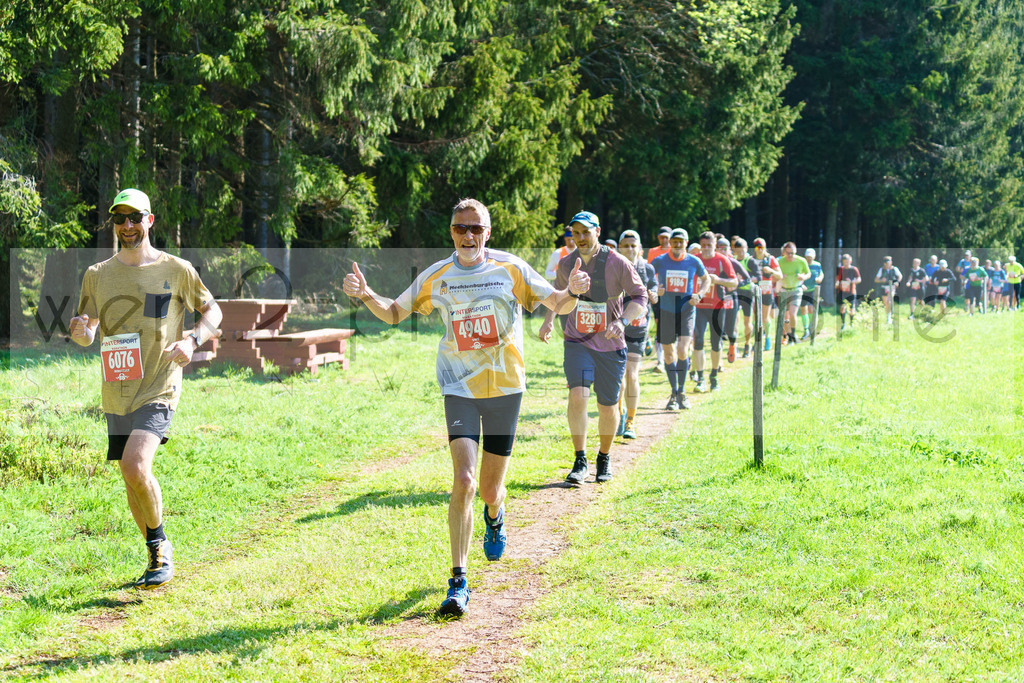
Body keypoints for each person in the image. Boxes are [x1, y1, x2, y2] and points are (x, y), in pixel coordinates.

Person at [343, 198, 590, 618]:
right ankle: (458, 581)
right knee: (464, 479)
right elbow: (394, 312)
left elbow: (556, 304)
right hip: (458, 386)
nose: (468, 236)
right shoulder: (437, 276)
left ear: (487, 233)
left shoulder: (510, 269)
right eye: (461, 228)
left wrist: (573, 293)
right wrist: (366, 294)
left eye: (476, 228)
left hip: (505, 387)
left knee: (491, 490)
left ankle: (496, 513)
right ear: (451, 232)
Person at [68, 188, 222, 590]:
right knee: (128, 474)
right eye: (120, 219)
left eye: (135, 218)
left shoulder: (177, 269)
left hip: (160, 383)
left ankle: (161, 547)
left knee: (136, 463)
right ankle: (155, 556)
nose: (127, 226)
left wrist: (191, 341)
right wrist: (81, 333)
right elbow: (87, 334)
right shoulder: (98, 275)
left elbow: (213, 310)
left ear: (150, 220)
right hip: (117, 388)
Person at [539, 211, 647, 487]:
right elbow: (557, 296)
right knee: (578, 395)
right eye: (576, 233)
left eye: (586, 232)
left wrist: (622, 321)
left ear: (598, 231)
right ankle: (580, 459)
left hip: (611, 344)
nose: (581, 238)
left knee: (607, 405)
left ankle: (604, 456)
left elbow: (639, 296)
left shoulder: (617, 262)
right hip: (577, 341)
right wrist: (549, 321)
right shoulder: (566, 264)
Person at [650, 229, 710, 408]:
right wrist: (655, 290)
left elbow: (706, 279)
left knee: (683, 350)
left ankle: (682, 392)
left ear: (686, 242)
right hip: (666, 311)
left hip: (686, 311)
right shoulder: (660, 261)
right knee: (669, 353)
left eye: (680, 242)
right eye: (673, 241)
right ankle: (674, 393)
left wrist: (699, 294)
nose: (676, 244)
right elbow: (647, 278)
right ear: (669, 243)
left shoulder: (694, 261)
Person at [615, 230, 658, 439]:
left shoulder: (646, 268)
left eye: (634, 245)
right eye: (626, 245)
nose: (630, 249)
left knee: (631, 373)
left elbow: (655, 293)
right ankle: (620, 414)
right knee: (619, 376)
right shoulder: (611, 267)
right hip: (615, 327)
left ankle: (631, 421)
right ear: (619, 248)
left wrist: (653, 295)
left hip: (638, 327)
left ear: (639, 248)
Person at [690, 232, 736, 392]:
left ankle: (714, 376)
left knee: (716, 343)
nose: (706, 248)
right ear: (700, 245)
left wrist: (717, 280)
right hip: (699, 307)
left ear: (715, 245)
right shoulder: (695, 259)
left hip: (717, 307)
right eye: (703, 245)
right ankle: (700, 379)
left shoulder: (722, 260)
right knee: (699, 341)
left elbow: (734, 283)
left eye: (709, 245)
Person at [716, 237, 750, 363]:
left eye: (725, 249)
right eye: (720, 249)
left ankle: (732, 346)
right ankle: (718, 360)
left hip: (731, 298)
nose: (722, 251)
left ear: (729, 250)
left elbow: (747, 279)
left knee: (730, 327)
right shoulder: (713, 261)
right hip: (716, 298)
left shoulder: (733, 262)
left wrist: (736, 285)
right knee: (718, 328)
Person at [731, 238, 762, 358]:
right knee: (734, 320)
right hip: (735, 292)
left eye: (742, 251)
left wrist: (744, 281)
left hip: (748, 293)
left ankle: (747, 345)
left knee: (747, 321)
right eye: (738, 251)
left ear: (746, 249)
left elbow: (758, 277)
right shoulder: (733, 260)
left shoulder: (750, 261)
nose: (740, 254)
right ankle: (733, 345)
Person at [777, 242, 810, 345]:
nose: (790, 255)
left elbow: (808, 273)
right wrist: (780, 276)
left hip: (796, 289)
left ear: (795, 252)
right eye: (788, 253)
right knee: (784, 316)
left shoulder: (801, 261)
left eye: (792, 253)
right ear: (784, 252)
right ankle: (787, 336)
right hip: (784, 290)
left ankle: (792, 336)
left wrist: (803, 277)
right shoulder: (779, 261)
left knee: (792, 313)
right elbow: (774, 275)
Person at [752, 238, 781, 350]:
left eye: (762, 247)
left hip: (767, 291)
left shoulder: (771, 259)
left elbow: (780, 275)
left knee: (765, 317)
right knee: (755, 318)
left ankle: (768, 339)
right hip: (755, 291)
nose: (760, 250)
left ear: (765, 247)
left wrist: (771, 271)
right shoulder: (751, 260)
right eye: (757, 247)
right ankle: (757, 340)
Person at [799, 248, 824, 339]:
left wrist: (820, 278)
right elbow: (798, 274)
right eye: (808, 257)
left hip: (813, 290)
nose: (809, 258)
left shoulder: (817, 265)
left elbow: (821, 273)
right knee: (803, 309)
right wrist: (801, 284)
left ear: (814, 257)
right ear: (805, 256)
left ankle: (812, 326)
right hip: (803, 290)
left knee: (811, 309)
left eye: (811, 257)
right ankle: (806, 330)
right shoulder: (802, 264)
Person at [835, 253, 861, 329]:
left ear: (851, 261)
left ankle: (851, 324)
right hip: (842, 291)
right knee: (842, 307)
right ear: (843, 262)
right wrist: (836, 283)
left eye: (847, 261)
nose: (846, 263)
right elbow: (837, 279)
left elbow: (859, 279)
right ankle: (843, 324)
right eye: (845, 261)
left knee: (851, 308)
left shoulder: (854, 269)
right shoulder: (840, 269)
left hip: (851, 291)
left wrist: (852, 281)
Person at [874, 255, 903, 324]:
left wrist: (897, 282)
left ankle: (891, 317)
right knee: (886, 303)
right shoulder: (881, 270)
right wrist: (881, 280)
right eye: (886, 263)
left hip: (892, 287)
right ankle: (888, 317)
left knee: (889, 300)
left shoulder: (894, 269)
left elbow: (900, 276)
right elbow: (876, 280)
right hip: (884, 287)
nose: (887, 265)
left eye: (889, 263)